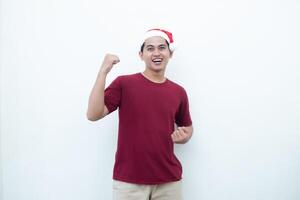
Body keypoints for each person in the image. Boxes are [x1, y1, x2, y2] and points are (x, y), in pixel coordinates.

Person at [87, 28, 193, 200]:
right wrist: (103, 72)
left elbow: (187, 127)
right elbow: (93, 114)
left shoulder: (178, 92)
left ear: (170, 53)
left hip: (169, 182)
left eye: (161, 48)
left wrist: (185, 136)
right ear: (141, 55)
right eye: (150, 48)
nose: (156, 53)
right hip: (129, 183)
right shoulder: (124, 84)